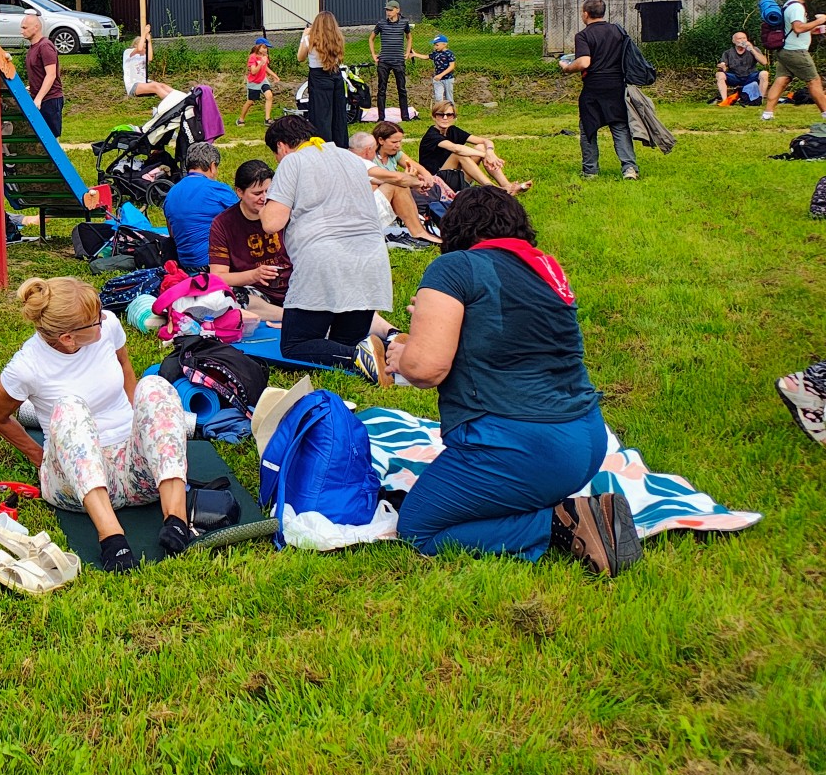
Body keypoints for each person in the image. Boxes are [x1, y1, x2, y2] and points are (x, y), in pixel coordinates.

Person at [389, 188, 641, 575]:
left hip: (520, 446)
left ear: (455, 229)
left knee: (419, 528)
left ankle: (561, 523)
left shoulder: (455, 267)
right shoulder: (545, 267)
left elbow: (426, 369)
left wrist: (404, 357)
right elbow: (506, 340)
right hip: (587, 439)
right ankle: (561, 507)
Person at [0, 277, 194, 569]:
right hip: (75, 488)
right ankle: (112, 538)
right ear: (68, 338)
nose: (104, 319)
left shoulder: (108, 326)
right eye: (95, 320)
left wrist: (144, 425)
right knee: (69, 407)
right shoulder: (26, 366)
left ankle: (177, 520)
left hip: (139, 478)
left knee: (155, 385)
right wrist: (39, 457)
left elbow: (124, 366)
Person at [261, 114, 390, 381]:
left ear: (282, 146)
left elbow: (272, 222)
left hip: (324, 260)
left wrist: (266, 205)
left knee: (295, 345)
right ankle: (376, 354)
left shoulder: (293, 161)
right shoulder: (350, 158)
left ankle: (357, 356)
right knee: (342, 341)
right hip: (371, 259)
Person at [557, 0, 637, 180]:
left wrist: (567, 68)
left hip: (594, 87)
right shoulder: (617, 31)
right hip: (617, 85)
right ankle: (629, 168)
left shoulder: (583, 35)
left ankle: (590, 171)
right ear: (603, 12)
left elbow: (584, 62)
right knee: (620, 127)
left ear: (586, 14)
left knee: (588, 128)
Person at [208, 159, 290, 322]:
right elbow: (218, 276)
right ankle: (288, 316)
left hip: (295, 286)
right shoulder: (223, 224)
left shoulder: (285, 211)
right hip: (257, 294)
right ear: (239, 192)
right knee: (221, 295)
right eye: (257, 193)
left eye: (269, 191)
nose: (264, 198)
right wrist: (253, 275)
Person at [352, 127, 442, 243]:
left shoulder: (346, 159)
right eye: (374, 150)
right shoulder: (361, 162)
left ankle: (419, 230)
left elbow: (382, 180)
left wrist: (413, 180)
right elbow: (395, 179)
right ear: (368, 150)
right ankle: (419, 232)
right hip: (357, 218)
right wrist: (417, 183)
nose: (398, 145)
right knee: (396, 184)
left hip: (350, 214)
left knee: (398, 184)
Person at [418, 102, 528, 194]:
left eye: (449, 115)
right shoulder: (431, 135)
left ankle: (507, 186)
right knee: (459, 155)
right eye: (440, 115)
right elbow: (457, 149)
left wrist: (490, 152)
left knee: (481, 147)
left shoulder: (452, 130)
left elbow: (486, 141)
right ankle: (494, 189)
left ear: (454, 117)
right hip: (435, 182)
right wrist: (485, 155)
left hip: (452, 177)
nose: (445, 118)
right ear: (434, 117)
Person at [161, 141, 236, 272]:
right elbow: (244, 220)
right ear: (212, 166)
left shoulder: (171, 193)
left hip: (185, 264)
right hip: (214, 264)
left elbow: (172, 234)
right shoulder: (218, 189)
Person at [763, 0, 826, 123]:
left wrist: (815, 30)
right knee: (814, 81)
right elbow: (798, 28)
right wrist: (819, 21)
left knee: (781, 81)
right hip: (796, 51)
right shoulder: (797, 7)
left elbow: (794, 30)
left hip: (786, 49)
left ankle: (767, 114)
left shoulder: (789, 5)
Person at [297, 11, 349, 146]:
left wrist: (304, 36)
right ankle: (340, 145)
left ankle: (324, 145)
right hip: (336, 75)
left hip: (318, 77)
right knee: (338, 113)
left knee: (320, 115)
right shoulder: (338, 39)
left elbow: (300, 58)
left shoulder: (310, 39)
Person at [368, 0, 418, 120]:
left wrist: (407, 52)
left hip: (398, 61)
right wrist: (373, 54)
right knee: (381, 89)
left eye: (390, 10)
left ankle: (405, 116)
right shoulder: (381, 23)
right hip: (384, 61)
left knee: (402, 89)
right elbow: (371, 38)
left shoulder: (404, 23)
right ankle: (381, 117)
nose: (388, 12)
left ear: (397, 10)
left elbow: (409, 37)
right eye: (387, 10)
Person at [19, 12, 66, 139]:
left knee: (51, 139)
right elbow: (40, 73)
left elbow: (51, 75)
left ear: (36, 27)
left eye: (25, 28)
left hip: (50, 99)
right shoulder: (33, 48)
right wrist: (32, 87)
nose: (21, 31)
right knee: (41, 138)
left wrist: (38, 99)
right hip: (39, 98)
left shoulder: (45, 46)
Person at [715, 31, 769, 107]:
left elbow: (764, 62)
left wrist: (752, 50)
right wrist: (722, 67)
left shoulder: (754, 49)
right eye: (739, 38)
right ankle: (725, 101)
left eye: (744, 38)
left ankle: (759, 100)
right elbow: (723, 66)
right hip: (735, 77)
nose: (742, 40)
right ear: (733, 41)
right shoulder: (728, 53)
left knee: (764, 74)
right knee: (719, 74)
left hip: (750, 76)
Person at [121, 28, 173, 102]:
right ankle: (172, 101)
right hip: (133, 85)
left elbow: (150, 58)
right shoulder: (128, 52)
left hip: (144, 82)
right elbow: (139, 49)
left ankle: (181, 97)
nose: (144, 47)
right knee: (155, 86)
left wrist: (149, 41)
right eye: (143, 45)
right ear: (135, 45)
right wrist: (144, 33)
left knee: (162, 85)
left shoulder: (143, 56)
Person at [237, 37, 275, 125]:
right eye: (264, 47)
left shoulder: (264, 56)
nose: (266, 50)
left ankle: (267, 119)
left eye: (267, 48)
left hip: (263, 80)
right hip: (254, 82)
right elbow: (253, 72)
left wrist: (274, 75)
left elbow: (266, 68)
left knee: (269, 96)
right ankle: (241, 119)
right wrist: (261, 63)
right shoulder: (252, 57)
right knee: (250, 102)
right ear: (258, 47)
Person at [429, 34, 457, 106]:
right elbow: (427, 57)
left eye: (437, 45)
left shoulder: (449, 54)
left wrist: (441, 75)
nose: (435, 47)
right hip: (438, 79)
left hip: (448, 79)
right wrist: (415, 54)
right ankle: (440, 110)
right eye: (434, 45)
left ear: (444, 44)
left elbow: (451, 66)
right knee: (438, 97)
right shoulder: (435, 53)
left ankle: (451, 111)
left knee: (449, 98)